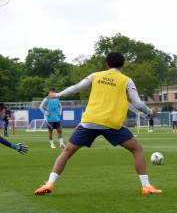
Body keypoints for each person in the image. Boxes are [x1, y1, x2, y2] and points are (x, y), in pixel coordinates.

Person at [34, 52, 162, 195]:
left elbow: (76, 87)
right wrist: (150, 112)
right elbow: (137, 103)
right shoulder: (126, 80)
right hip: (111, 124)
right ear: (123, 66)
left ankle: (49, 183)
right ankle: (146, 187)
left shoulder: (96, 75)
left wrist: (56, 95)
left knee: (66, 153)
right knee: (136, 149)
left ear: (107, 65)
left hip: (89, 121)